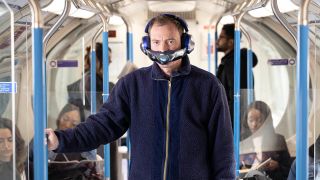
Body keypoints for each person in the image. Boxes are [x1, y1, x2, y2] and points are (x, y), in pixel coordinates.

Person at [46, 13, 235, 179]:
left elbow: (222, 148)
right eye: (156, 42)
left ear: (184, 42)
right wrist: (61, 139)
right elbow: (102, 125)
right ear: (147, 44)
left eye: (170, 41)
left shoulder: (208, 85)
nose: (163, 49)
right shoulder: (131, 85)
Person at [216, 23, 258, 127]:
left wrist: (226, 123)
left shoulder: (235, 63)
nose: (217, 41)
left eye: (221, 37)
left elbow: (237, 98)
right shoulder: (230, 61)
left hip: (235, 122)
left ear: (231, 42)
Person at [240, 101, 291, 179]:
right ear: (246, 121)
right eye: (251, 120)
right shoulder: (242, 141)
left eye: (259, 120)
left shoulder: (278, 140)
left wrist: (277, 166)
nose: (254, 124)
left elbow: (289, 170)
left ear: (266, 122)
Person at [67, 43, 115, 112]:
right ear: (96, 61)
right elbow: (101, 107)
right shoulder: (91, 80)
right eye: (107, 59)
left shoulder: (92, 78)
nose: (110, 61)